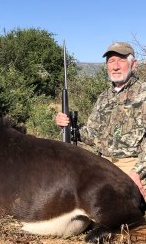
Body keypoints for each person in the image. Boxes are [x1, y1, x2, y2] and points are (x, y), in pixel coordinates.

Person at [55, 42, 146, 199]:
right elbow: (92, 135)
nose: (115, 66)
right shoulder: (103, 98)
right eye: (111, 61)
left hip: (133, 165)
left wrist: (137, 172)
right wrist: (68, 126)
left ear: (133, 65)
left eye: (121, 60)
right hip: (103, 164)